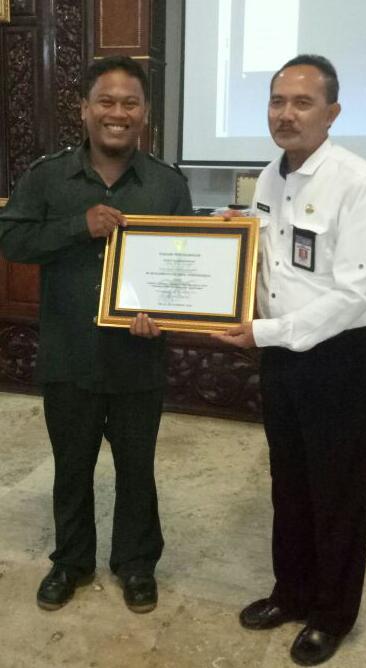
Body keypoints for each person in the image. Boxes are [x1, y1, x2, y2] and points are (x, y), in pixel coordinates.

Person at [215, 55, 366, 665]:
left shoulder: (358, 182)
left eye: (302, 102)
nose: (285, 114)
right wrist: (236, 238)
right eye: (276, 101)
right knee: (288, 481)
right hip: (280, 354)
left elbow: (354, 294)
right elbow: (273, 253)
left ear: (332, 112)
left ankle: (331, 614)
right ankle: (290, 592)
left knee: (337, 490)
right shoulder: (269, 177)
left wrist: (267, 331)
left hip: (337, 357)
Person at [0, 56, 192, 613]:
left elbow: (185, 268)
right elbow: (11, 241)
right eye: (106, 101)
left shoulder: (167, 184)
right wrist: (77, 226)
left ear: (145, 114)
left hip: (139, 356)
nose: (117, 113)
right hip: (69, 355)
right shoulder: (47, 177)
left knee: (137, 470)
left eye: (130, 103)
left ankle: (136, 564)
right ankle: (71, 561)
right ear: (84, 109)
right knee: (71, 467)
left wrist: (164, 313)